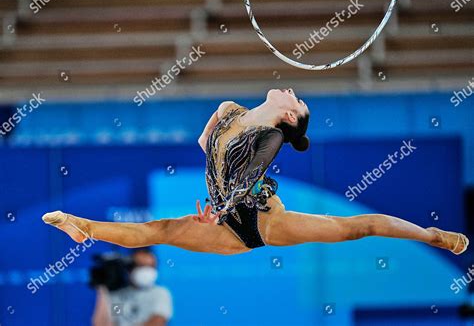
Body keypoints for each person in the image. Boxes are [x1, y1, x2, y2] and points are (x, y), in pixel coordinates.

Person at [42, 88, 469, 256]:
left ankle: (433, 237)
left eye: (297, 101)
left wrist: (219, 208)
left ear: (288, 116)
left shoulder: (272, 137)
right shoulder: (230, 109)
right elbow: (205, 146)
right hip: (227, 220)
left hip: (262, 219)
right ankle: (82, 227)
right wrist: (219, 206)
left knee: (358, 227)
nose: (292, 93)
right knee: (159, 229)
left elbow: (243, 181)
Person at [92, 248, 173, 326]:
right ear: (129, 268)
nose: (146, 271)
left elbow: (157, 323)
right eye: (141, 266)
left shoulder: (160, 293)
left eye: (151, 266)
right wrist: (102, 290)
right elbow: (103, 324)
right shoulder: (119, 296)